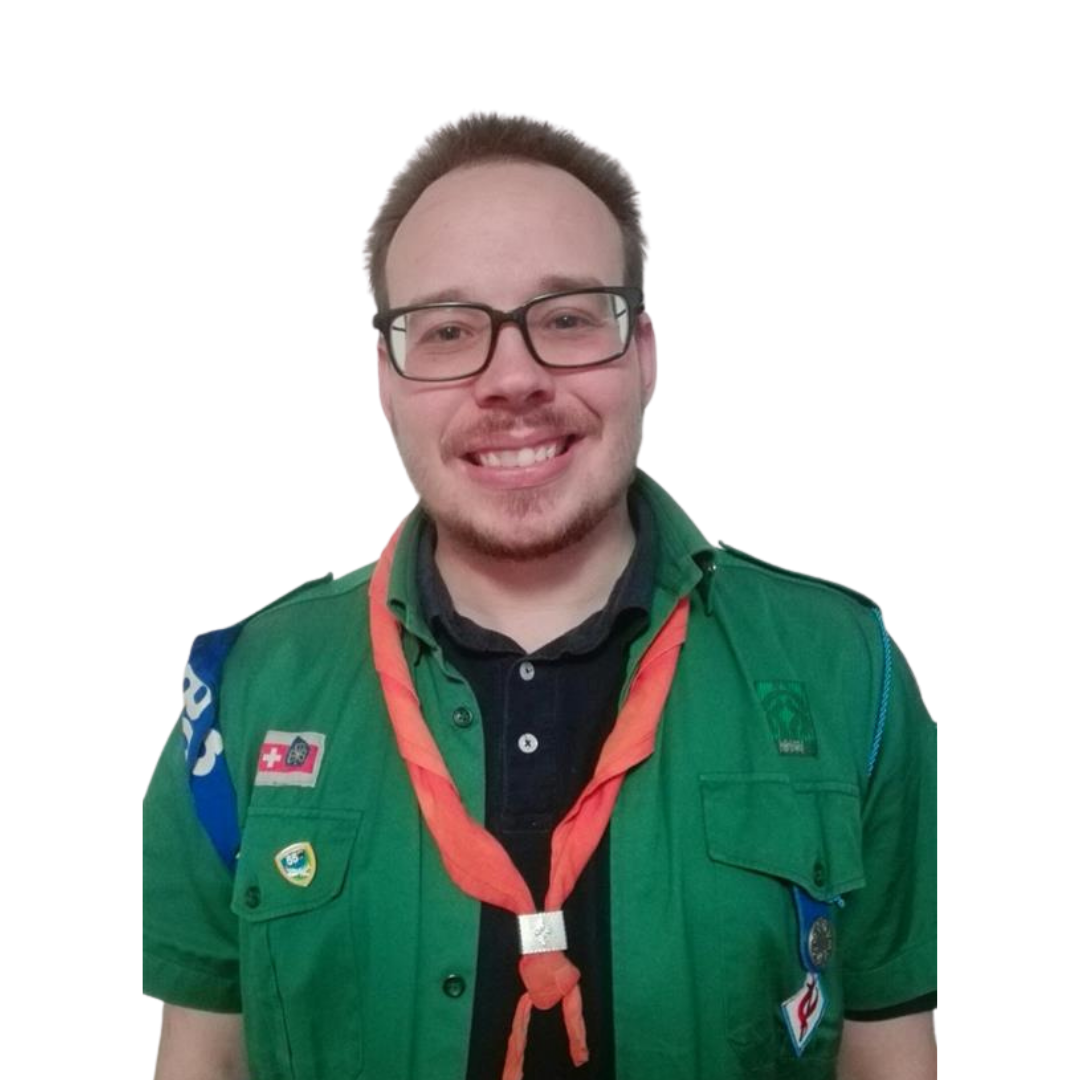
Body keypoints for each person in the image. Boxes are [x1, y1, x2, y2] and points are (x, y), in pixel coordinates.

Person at [142, 110, 938, 1080]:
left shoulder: (849, 668)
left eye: (566, 318)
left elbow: (889, 1055)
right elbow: (205, 1058)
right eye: (447, 330)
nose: (512, 378)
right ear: (385, 381)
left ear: (645, 354)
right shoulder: (241, 690)